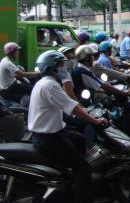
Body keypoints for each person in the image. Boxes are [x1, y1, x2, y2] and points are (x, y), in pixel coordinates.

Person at [29, 50, 107, 203]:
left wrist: (84, 110)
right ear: (52, 68)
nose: (64, 67)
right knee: (84, 169)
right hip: (49, 139)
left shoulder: (45, 83)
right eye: (61, 65)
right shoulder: (50, 86)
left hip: (52, 133)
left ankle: (71, 182)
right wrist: (95, 121)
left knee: (79, 140)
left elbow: (70, 101)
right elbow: (74, 108)